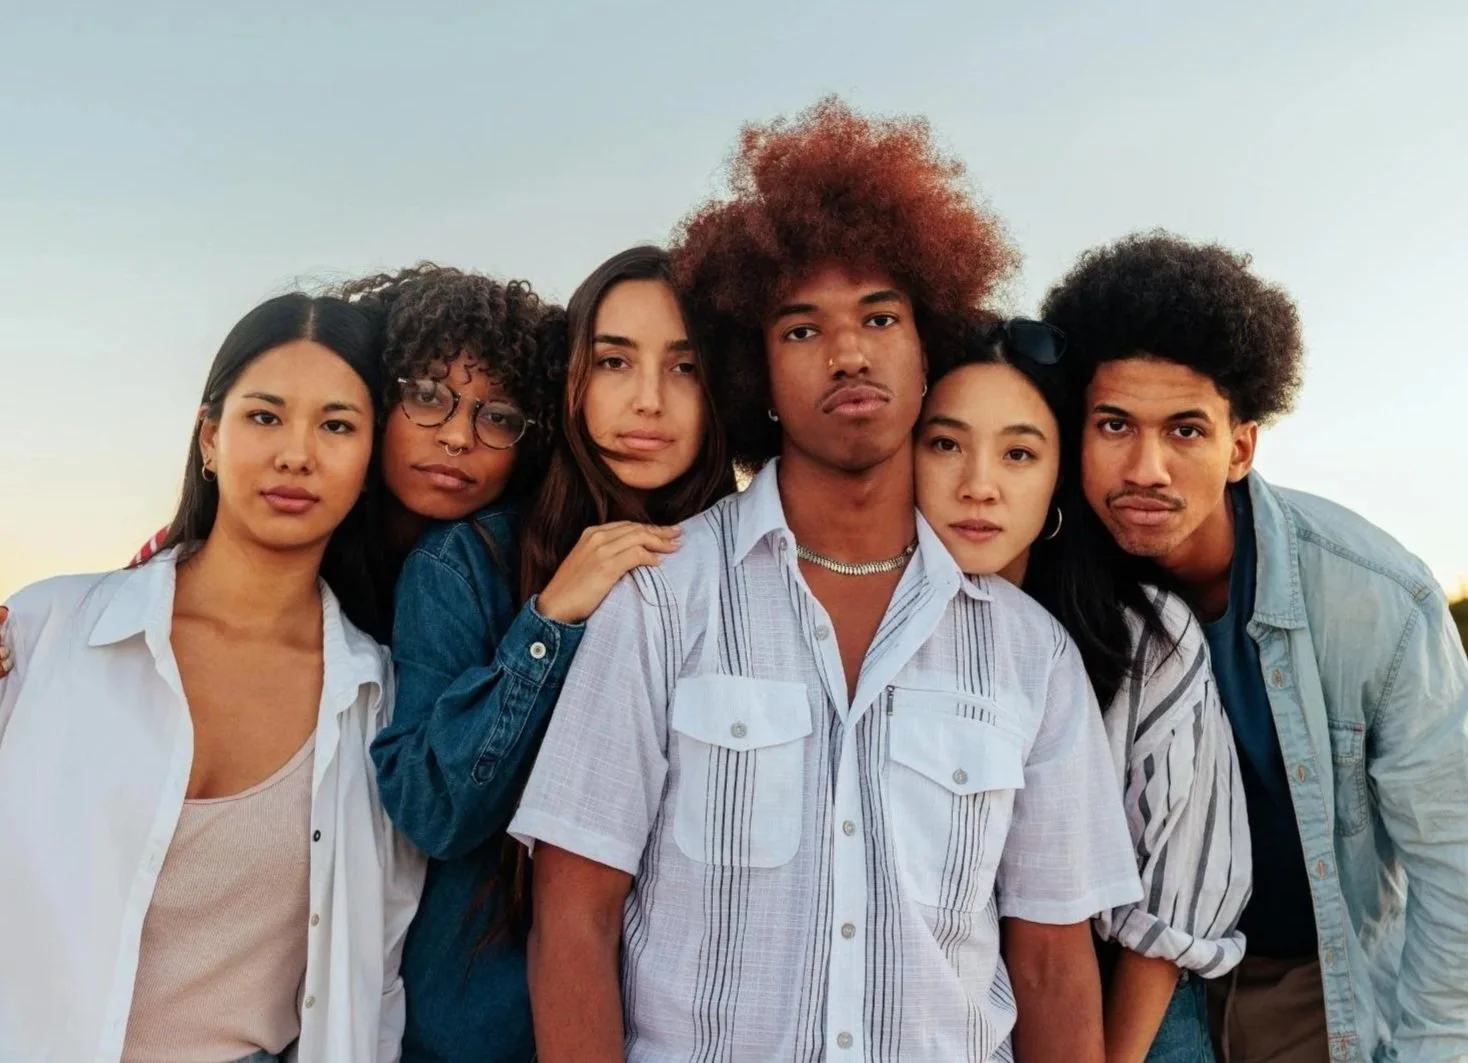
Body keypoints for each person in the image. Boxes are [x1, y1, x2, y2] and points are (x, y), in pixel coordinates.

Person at [509, 97, 1141, 1063]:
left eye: (879, 317)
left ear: (927, 350)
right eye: (802, 330)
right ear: (754, 371)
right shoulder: (660, 601)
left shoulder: (1029, 653)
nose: (848, 351)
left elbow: (1054, 966)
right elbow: (574, 917)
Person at [1044, 232, 1468, 1063]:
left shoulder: (1373, 598)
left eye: (1187, 431)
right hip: (1121, 983)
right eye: (1115, 424)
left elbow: (1454, 859)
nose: (1147, 467)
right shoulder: (1046, 579)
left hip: (1305, 980)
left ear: (1241, 445)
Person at [0, 293, 425, 1063]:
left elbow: (378, 970)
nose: (296, 453)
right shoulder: (47, 630)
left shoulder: (376, 699)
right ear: (209, 437)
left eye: (336, 425)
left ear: (369, 464)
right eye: (264, 416)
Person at [370, 245, 732, 1062]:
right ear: (572, 379)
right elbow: (433, 810)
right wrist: (549, 621)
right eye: (613, 362)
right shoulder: (466, 565)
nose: (647, 400)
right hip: (486, 1034)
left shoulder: (761, 582)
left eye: (685, 368)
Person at [914, 315, 1252, 1063]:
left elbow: (1178, 901)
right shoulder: (875, 621)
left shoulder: (1143, 635)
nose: (980, 486)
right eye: (945, 444)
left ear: (1058, 472)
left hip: (1128, 1014)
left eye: (1019, 452)